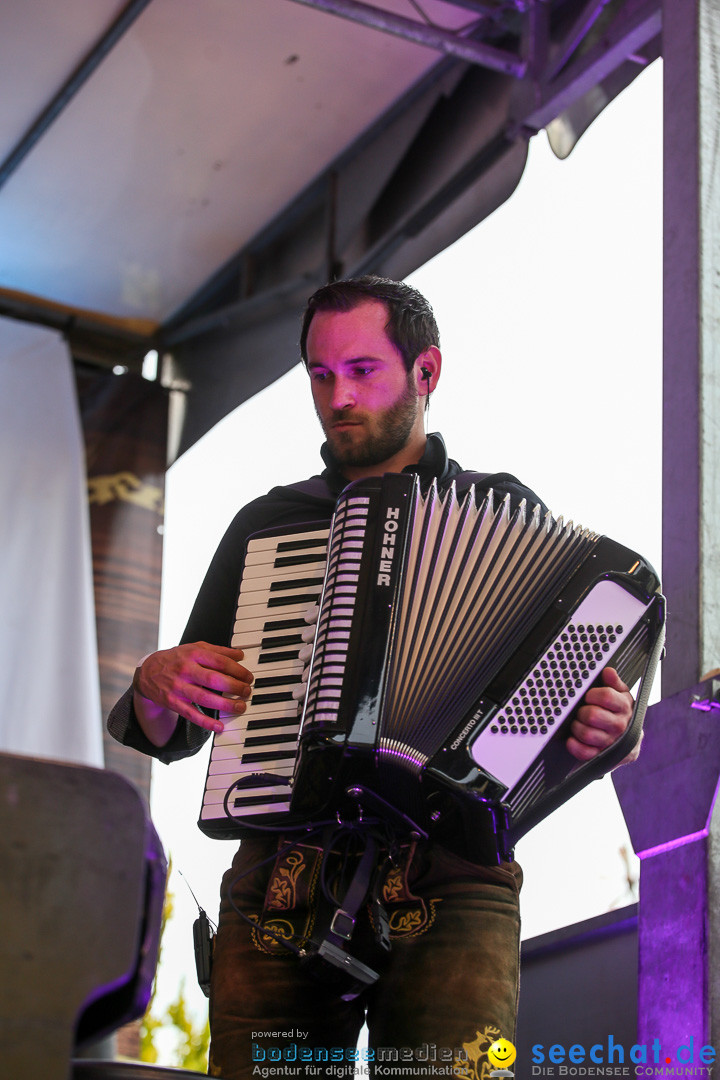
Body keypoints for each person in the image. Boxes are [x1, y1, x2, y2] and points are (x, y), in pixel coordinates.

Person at [108, 276, 637, 1080]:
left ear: (426, 372)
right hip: (283, 884)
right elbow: (177, 728)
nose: (337, 397)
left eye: (362, 371)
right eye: (321, 375)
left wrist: (613, 727)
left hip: (453, 884)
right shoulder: (268, 527)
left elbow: (572, 724)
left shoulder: (503, 511)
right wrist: (155, 685)